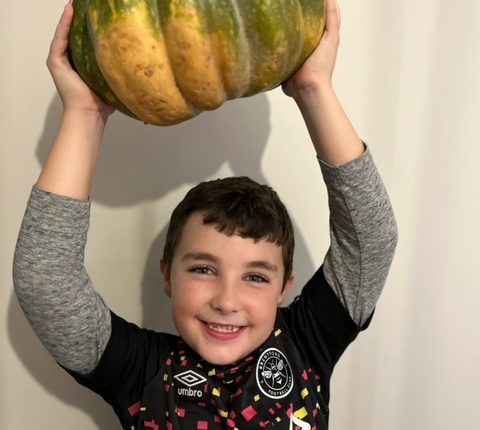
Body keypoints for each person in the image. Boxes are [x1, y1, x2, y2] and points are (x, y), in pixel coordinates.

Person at [13, 0, 397, 428]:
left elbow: (370, 238)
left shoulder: (307, 343)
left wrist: (314, 89)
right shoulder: (142, 372)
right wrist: (84, 115)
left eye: (256, 276)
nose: (226, 301)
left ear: (285, 287)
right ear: (167, 274)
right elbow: (46, 281)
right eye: (202, 269)